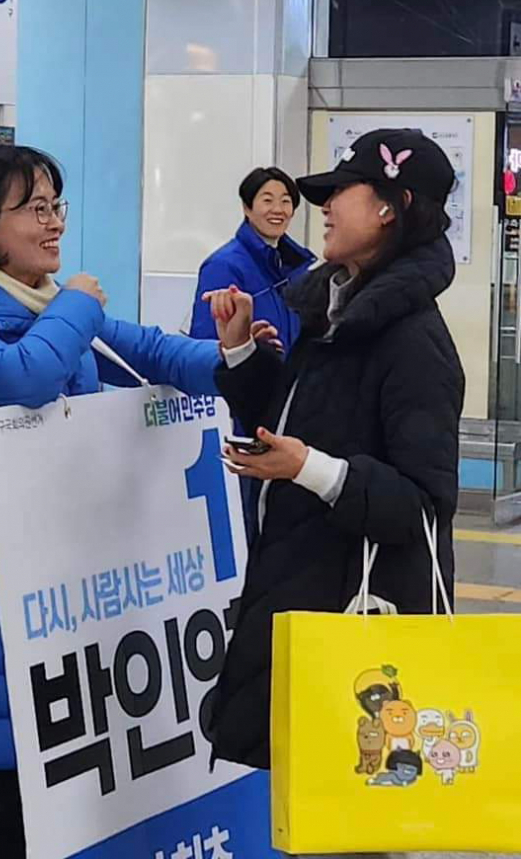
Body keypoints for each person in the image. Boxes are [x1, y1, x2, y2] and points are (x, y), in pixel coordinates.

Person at [0, 144, 234, 859]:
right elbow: (17, 379)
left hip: (63, 574)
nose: (54, 224)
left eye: (57, 207)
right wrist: (78, 304)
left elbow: (157, 354)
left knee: (40, 779)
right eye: (35, 209)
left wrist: (236, 356)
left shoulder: (53, 308)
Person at [203, 128, 465, 771]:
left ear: (392, 207)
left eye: (341, 192)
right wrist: (240, 351)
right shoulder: (337, 315)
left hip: (357, 632)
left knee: (350, 803)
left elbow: (422, 507)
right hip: (303, 594)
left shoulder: (412, 342)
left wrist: (310, 470)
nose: (322, 207)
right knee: (307, 802)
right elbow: (300, 424)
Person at [188, 166, 315, 351]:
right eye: (267, 200)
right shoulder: (223, 266)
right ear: (247, 208)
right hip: (246, 370)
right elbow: (206, 346)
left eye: (285, 201)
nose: (278, 209)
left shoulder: (297, 266)